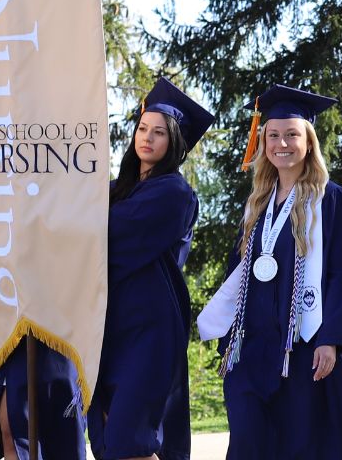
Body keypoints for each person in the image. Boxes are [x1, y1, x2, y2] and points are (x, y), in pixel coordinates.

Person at [196, 85, 342, 458]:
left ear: (308, 142)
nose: (281, 143)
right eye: (273, 135)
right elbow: (239, 276)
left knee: (311, 444)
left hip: (308, 349)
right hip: (254, 352)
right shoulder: (256, 206)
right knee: (252, 440)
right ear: (262, 141)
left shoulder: (331, 200)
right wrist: (231, 341)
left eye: (291, 134)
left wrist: (332, 339)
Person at [91, 78, 207, 460]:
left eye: (159, 132)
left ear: (174, 141)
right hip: (110, 327)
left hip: (149, 329)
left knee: (130, 438)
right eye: (142, 129)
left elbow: (111, 233)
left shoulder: (174, 192)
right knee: (110, 438)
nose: (148, 138)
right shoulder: (115, 189)